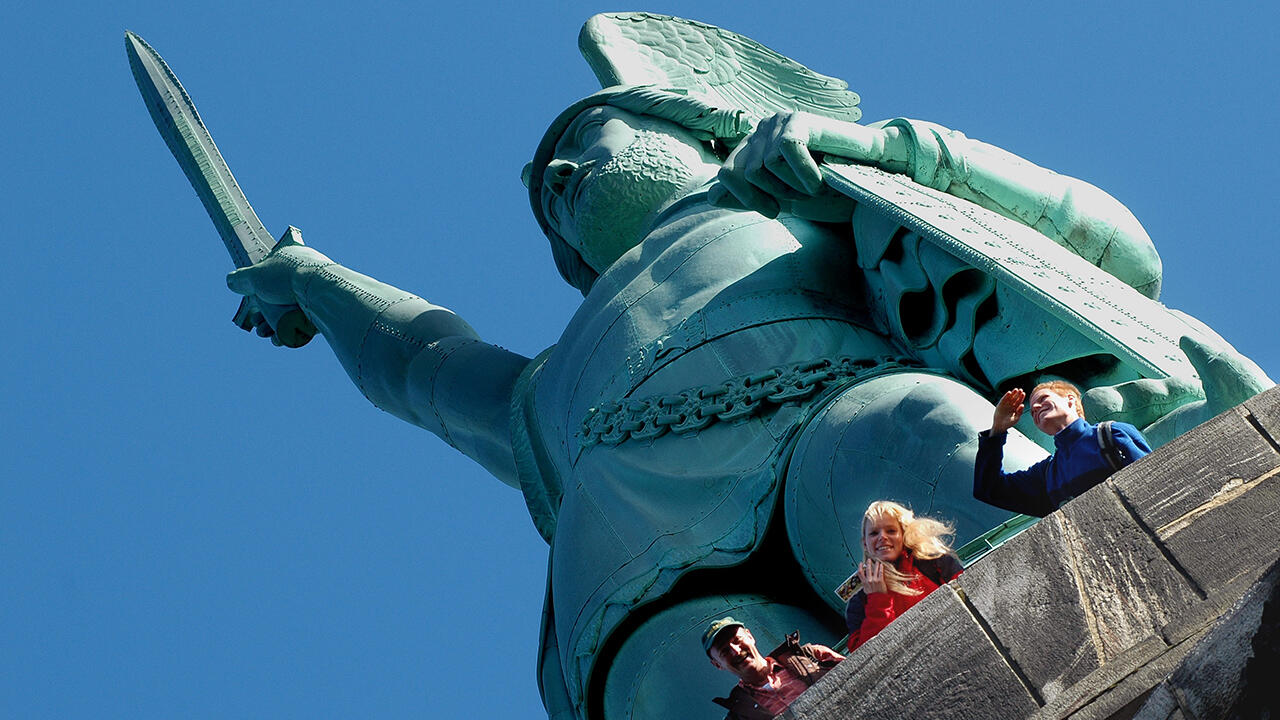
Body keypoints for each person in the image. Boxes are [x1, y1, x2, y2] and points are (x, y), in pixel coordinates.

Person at [214, 12, 1269, 720]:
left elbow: (1098, 242)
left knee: (918, 446)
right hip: (629, 575)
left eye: (587, 140)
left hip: (834, 432)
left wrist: (884, 154)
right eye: (547, 197)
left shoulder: (778, 204)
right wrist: (310, 280)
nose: (561, 176)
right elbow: (422, 363)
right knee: (677, 688)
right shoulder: (542, 396)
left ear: (692, 133)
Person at [974, 380, 1152, 517]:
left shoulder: (1111, 433)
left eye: (1043, 399)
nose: (1035, 408)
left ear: (1070, 401)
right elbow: (990, 489)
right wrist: (998, 429)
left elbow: (1150, 479)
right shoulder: (1046, 473)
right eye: (1034, 411)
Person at [844, 501, 963, 651]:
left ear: (903, 535)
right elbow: (866, 657)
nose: (882, 537)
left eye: (891, 531)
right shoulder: (859, 600)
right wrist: (878, 599)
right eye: (874, 533)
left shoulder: (933, 562)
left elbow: (970, 596)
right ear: (865, 544)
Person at [703, 617, 843, 720]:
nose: (736, 651)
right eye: (725, 651)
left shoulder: (815, 656)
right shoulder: (738, 716)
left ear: (750, 636)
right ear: (717, 664)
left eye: (737, 640)